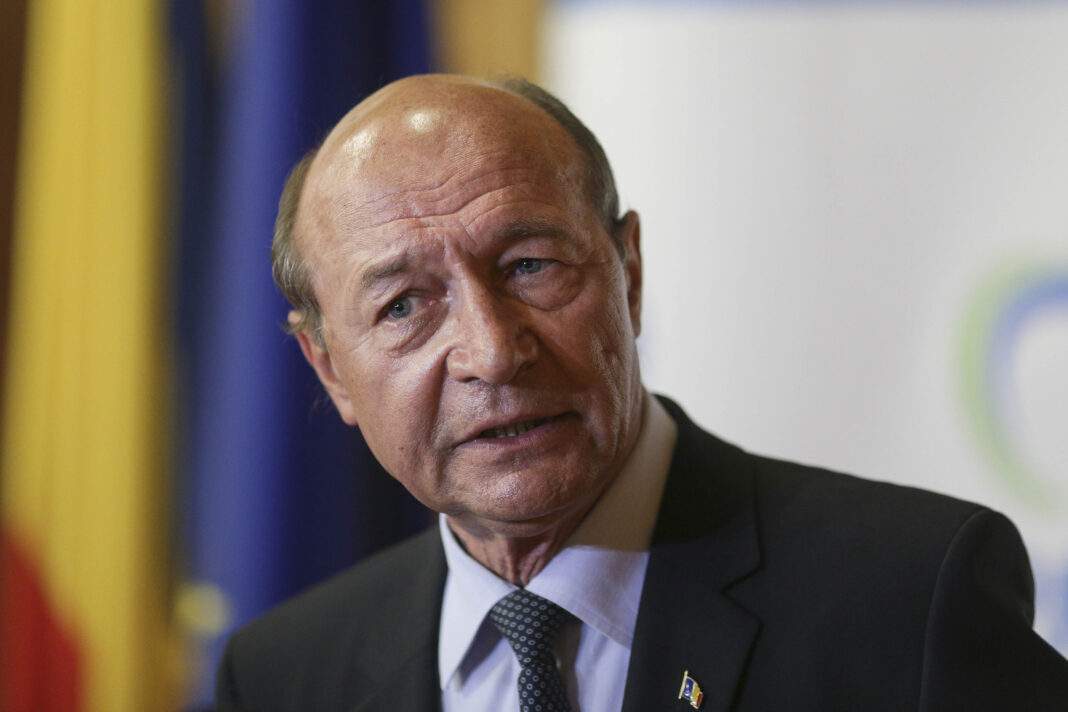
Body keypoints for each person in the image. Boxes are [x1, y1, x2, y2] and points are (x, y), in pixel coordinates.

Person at [215, 74, 1068, 711]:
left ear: (627, 272)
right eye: (403, 305)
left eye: (530, 265)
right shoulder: (282, 676)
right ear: (330, 369)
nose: (493, 352)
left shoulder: (912, 599)